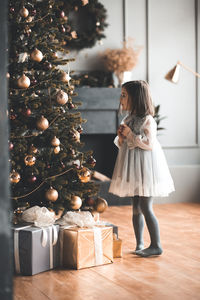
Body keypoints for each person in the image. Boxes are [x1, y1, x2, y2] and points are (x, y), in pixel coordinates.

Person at [109, 80, 175, 257]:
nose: (121, 98)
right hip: (132, 166)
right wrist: (121, 137)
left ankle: (156, 244)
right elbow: (124, 144)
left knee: (146, 206)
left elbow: (149, 144)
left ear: (135, 98)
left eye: (124, 95)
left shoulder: (148, 120)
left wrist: (130, 134)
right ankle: (140, 243)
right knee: (136, 206)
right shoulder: (129, 118)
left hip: (146, 167)